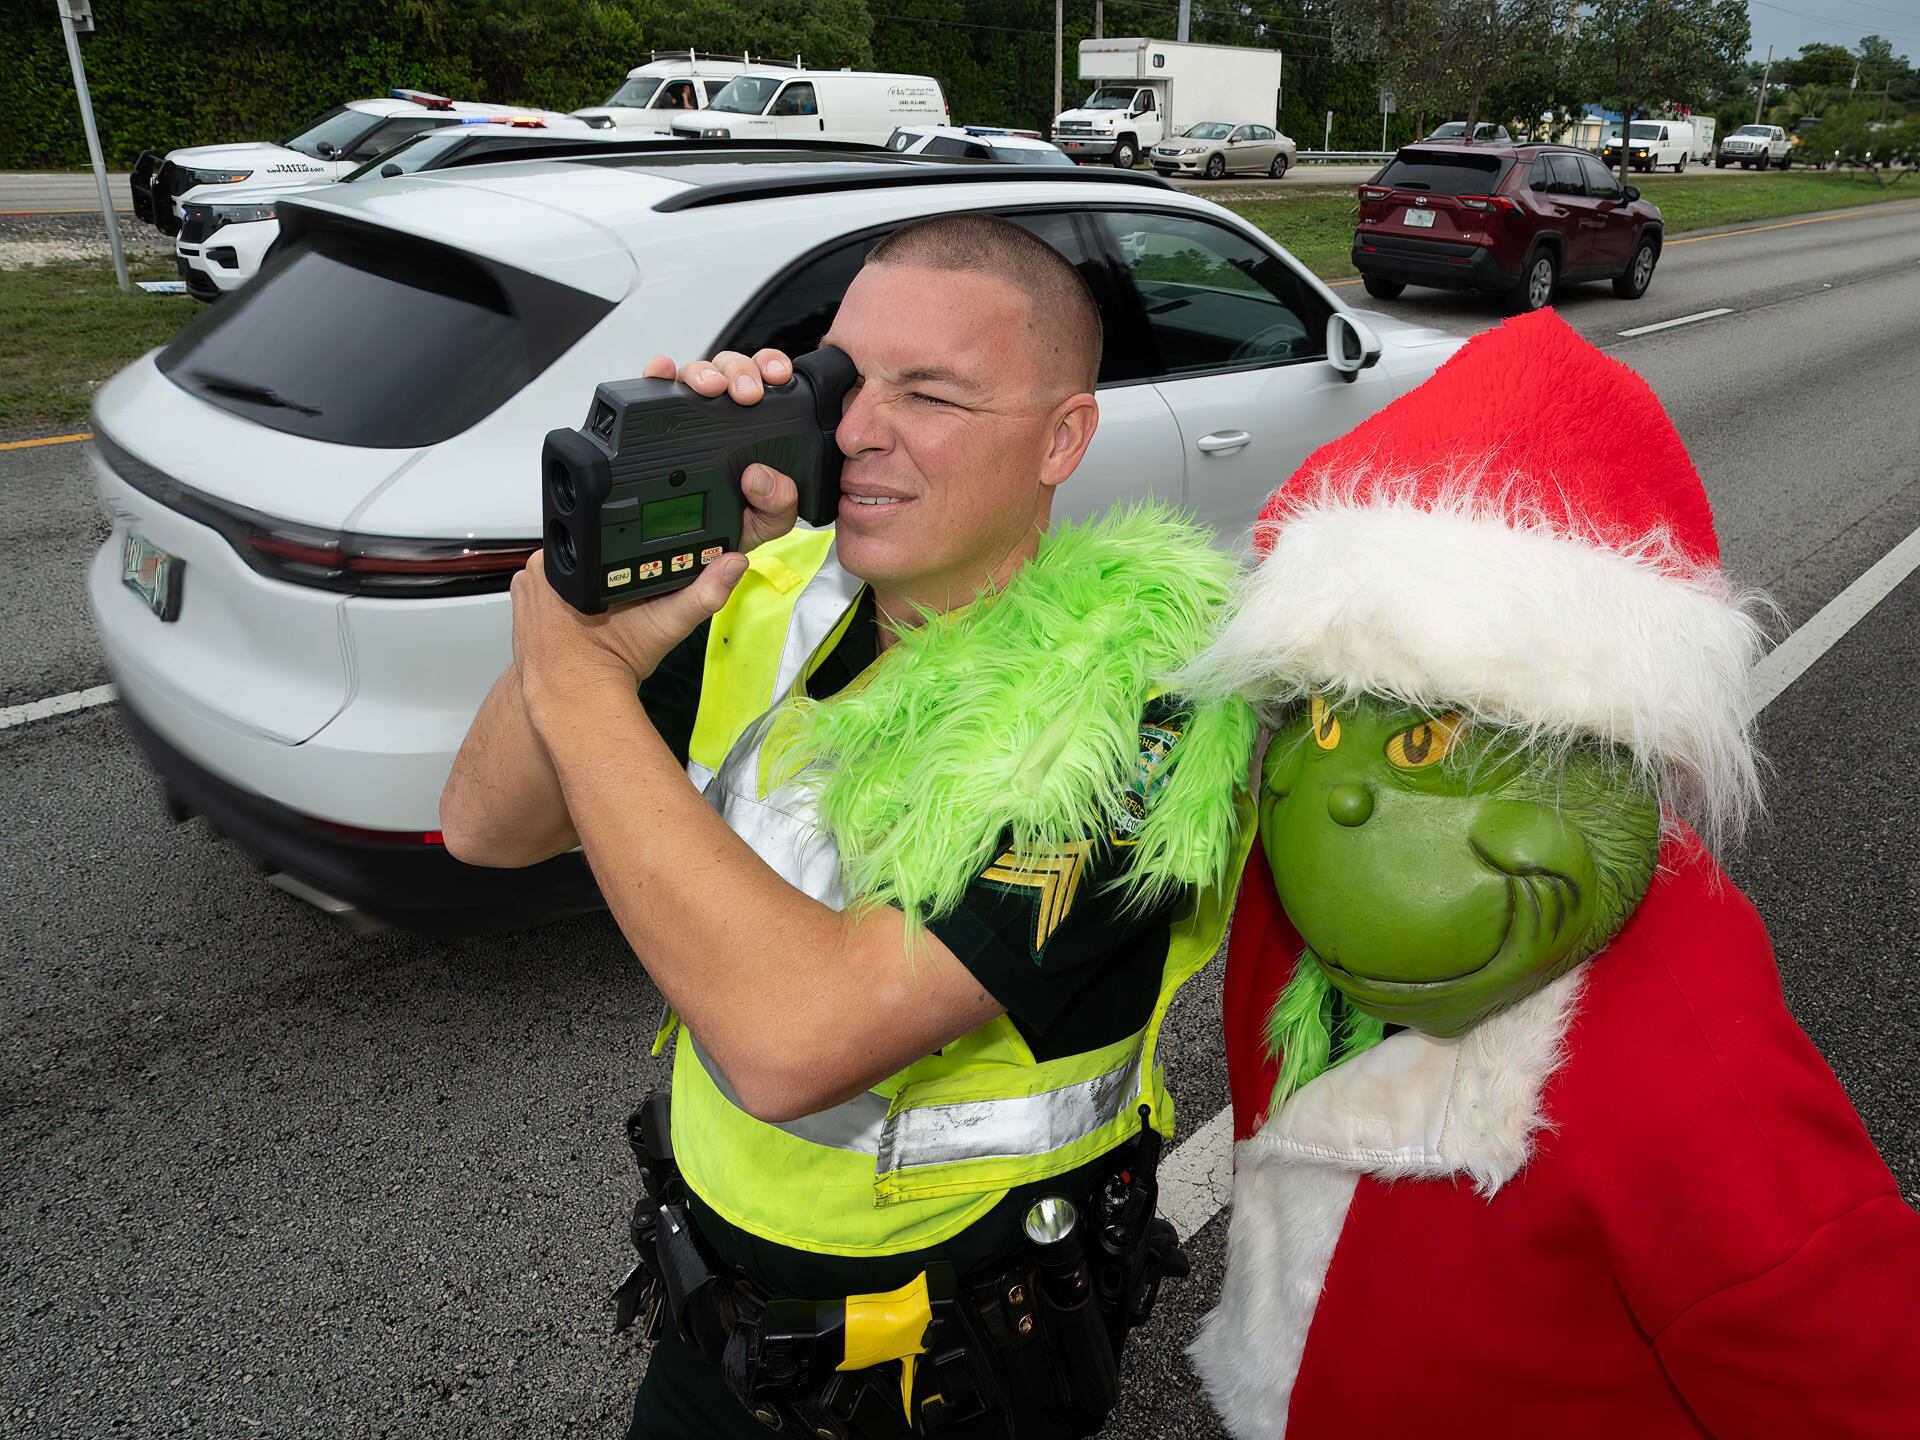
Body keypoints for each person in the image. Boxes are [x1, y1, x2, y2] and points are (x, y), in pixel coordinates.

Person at [440, 213, 1256, 1438]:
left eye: (929, 395)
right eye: (840, 378)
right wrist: (603, 594)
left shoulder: (1139, 718)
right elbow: (485, 828)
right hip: (712, 1315)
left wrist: (577, 683)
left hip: (955, 1366)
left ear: (1061, 437)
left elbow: (794, 1044)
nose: (858, 431)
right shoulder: (771, 590)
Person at [1180, 311, 1920, 1437]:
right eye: (1317, 720)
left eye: (1427, 743)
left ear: (1592, 756)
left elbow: (1857, 1378)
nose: (1338, 795)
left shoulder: (1685, 1076)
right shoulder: (1289, 897)